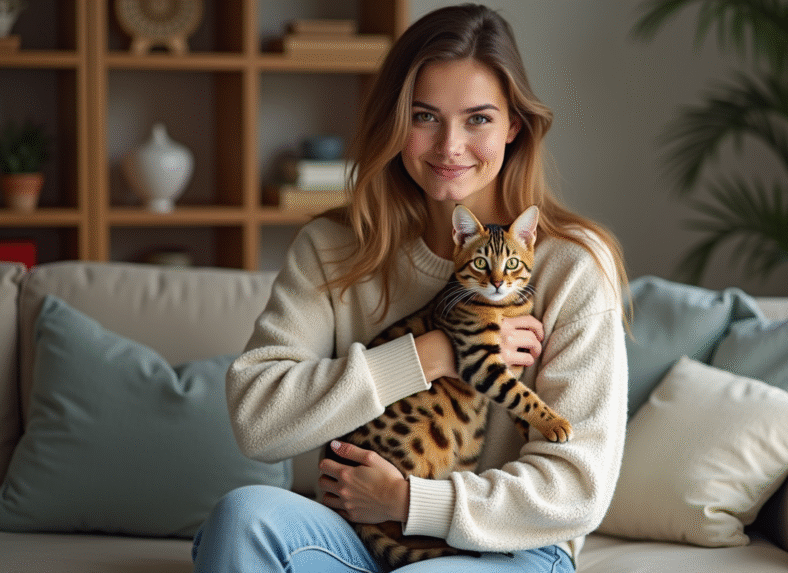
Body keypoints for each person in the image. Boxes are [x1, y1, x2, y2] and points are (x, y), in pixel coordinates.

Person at [192, 4, 628, 572]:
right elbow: (258, 419)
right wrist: (433, 355)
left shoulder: (570, 266)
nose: (449, 146)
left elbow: (577, 486)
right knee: (242, 518)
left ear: (513, 126)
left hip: (503, 548)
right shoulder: (332, 247)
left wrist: (406, 501)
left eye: (478, 119)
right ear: (396, 124)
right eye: (425, 116)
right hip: (357, 534)